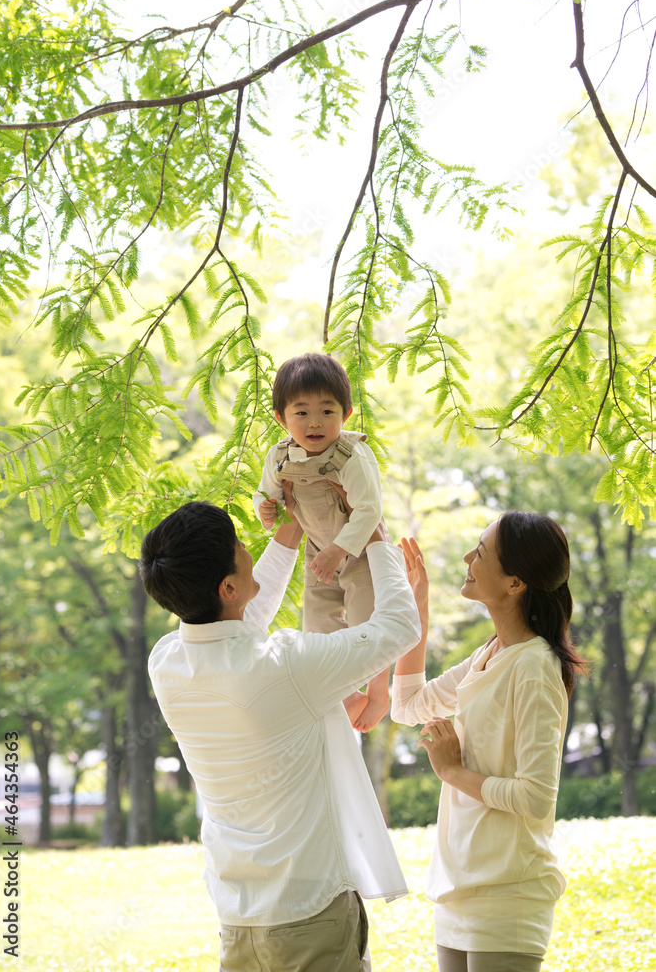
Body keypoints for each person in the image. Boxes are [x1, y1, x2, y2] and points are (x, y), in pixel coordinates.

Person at [141, 490, 423, 972]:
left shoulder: (166, 662)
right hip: (309, 913)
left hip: (238, 915)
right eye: (238, 545)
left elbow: (239, 621)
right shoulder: (287, 665)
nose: (248, 548)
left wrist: (292, 529)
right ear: (228, 586)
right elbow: (398, 628)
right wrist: (373, 538)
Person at [392, 513, 588, 972]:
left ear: (515, 583)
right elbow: (407, 704)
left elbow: (536, 797)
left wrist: (453, 772)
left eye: (480, 552)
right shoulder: (489, 654)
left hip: (507, 892)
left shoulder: (534, 666)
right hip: (458, 887)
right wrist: (417, 608)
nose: (467, 558)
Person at [253, 352, 390, 733]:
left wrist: (338, 550)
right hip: (318, 549)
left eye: (327, 411)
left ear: (345, 414)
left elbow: (369, 511)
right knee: (317, 624)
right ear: (281, 418)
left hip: (360, 550)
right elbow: (266, 494)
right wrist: (265, 509)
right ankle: (346, 695)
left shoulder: (353, 455)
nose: (315, 422)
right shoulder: (280, 457)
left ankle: (379, 690)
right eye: (301, 412)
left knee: (369, 621)